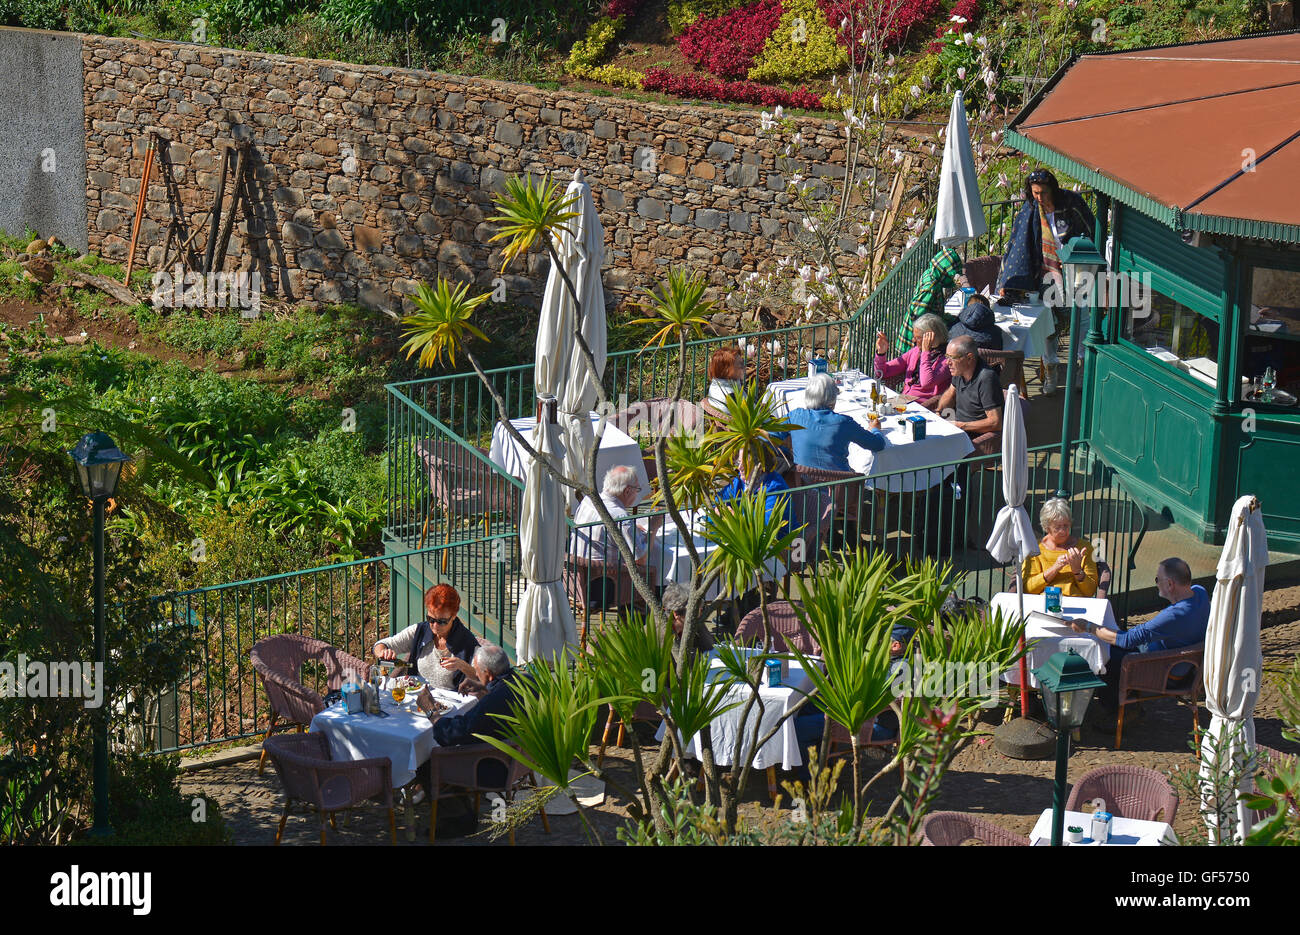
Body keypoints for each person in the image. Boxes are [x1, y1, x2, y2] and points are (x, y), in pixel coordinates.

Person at [997, 168, 1096, 394]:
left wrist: (1072, 256)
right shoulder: (1031, 209)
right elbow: (1018, 243)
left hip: (1076, 269)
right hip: (1045, 273)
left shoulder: (1072, 204)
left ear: (1052, 188)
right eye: (1035, 193)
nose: (1039, 197)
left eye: (1042, 192)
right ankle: (1050, 370)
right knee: (1048, 321)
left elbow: (1090, 230)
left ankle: (1081, 367)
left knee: (1080, 317)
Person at [1071, 557, 1210, 719]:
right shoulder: (1200, 592)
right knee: (1109, 646)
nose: (1156, 583)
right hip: (1185, 664)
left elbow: (1127, 640)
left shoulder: (1174, 615)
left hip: (1165, 671)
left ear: (1170, 584)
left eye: (1158, 579)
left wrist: (1088, 627)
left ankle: (1121, 711)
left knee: (1104, 657)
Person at [429, 643, 521, 789]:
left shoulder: (493, 703)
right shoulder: (524, 681)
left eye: (478, 672)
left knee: (427, 759)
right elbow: (502, 694)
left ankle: (457, 807)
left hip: (494, 769)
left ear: (489, 674)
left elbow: (451, 735)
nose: (476, 675)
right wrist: (484, 685)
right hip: (522, 762)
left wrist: (431, 711)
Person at [373, 584, 479, 690]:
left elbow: (483, 680)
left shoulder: (468, 642)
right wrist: (383, 652)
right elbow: (380, 645)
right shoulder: (420, 631)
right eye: (431, 619)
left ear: (454, 616)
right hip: (417, 698)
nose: (435, 626)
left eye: (442, 621)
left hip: (451, 703)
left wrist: (462, 666)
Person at [783, 373, 884, 472]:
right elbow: (878, 445)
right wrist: (875, 429)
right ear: (833, 397)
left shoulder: (795, 416)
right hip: (840, 486)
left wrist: (787, 455)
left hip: (802, 484)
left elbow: (769, 435)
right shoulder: (844, 423)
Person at [571, 464, 662, 572]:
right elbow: (641, 559)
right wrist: (653, 527)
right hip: (607, 578)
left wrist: (630, 527)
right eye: (637, 489)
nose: (637, 494)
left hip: (578, 570)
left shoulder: (588, 500)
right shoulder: (620, 517)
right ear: (627, 491)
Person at [1020, 498, 1099, 597]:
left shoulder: (1084, 548)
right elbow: (1028, 589)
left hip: (1075, 603)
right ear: (1046, 527)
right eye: (1057, 527)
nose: (1063, 531)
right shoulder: (1035, 549)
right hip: (1045, 603)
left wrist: (1077, 571)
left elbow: (1090, 591)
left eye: (1066, 525)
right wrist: (1055, 568)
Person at [873, 313, 952, 407]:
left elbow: (927, 382)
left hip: (923, 407)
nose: (913, 340)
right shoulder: (915, 352)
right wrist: (881, 353)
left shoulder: (946, 358)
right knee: (873, 408)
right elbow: (881, 373)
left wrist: (925, 352)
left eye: (917, 337)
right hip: (904, 400)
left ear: (931, 338)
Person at [897, 245, 963, 354]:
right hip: (915, 340)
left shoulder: (930, 273)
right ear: (944, 271)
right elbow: (917, 315)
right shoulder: (931, 287)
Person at [935, 335, 1003, 440]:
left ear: (969, 358)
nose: (947, 362)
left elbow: (995, 422)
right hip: (957, 430)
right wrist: (939, 412)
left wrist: (960, 425)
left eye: (952, 358)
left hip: (974, 439)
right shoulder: (960, 371)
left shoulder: (986, 378)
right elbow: (950, 394)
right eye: (947, 356)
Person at [717, 445, 794, 535]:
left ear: (759, 466)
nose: (739, 468)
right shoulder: (739, 481)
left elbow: (766, 523)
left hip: (775, 541)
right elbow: (719, 498)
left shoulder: (774, 487)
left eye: (744, 463)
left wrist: (733, 517)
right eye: (738, 463)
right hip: (743, 536)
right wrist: (720, 508)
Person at [661, 583, 714, 652]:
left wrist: (698, 624)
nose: (701, 613)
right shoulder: (662, 636)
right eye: (695, 611)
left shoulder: (686, 626)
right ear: (676, 614)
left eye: (701, 609)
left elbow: (709, 646)